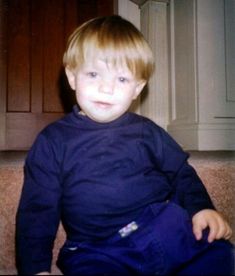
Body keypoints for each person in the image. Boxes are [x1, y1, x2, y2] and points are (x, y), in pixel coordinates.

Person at [16, 15, 234, 275]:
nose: (106, 88)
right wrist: (36, 269)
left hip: (160, 227)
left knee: (221, 256)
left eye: (121, 79)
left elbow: (180, 173)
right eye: (94, 73)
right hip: (96, 249)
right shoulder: (52, 142)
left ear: (137, 88)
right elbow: (37, 210)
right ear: (72, 77)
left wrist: (201, 208)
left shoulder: (148, 131)